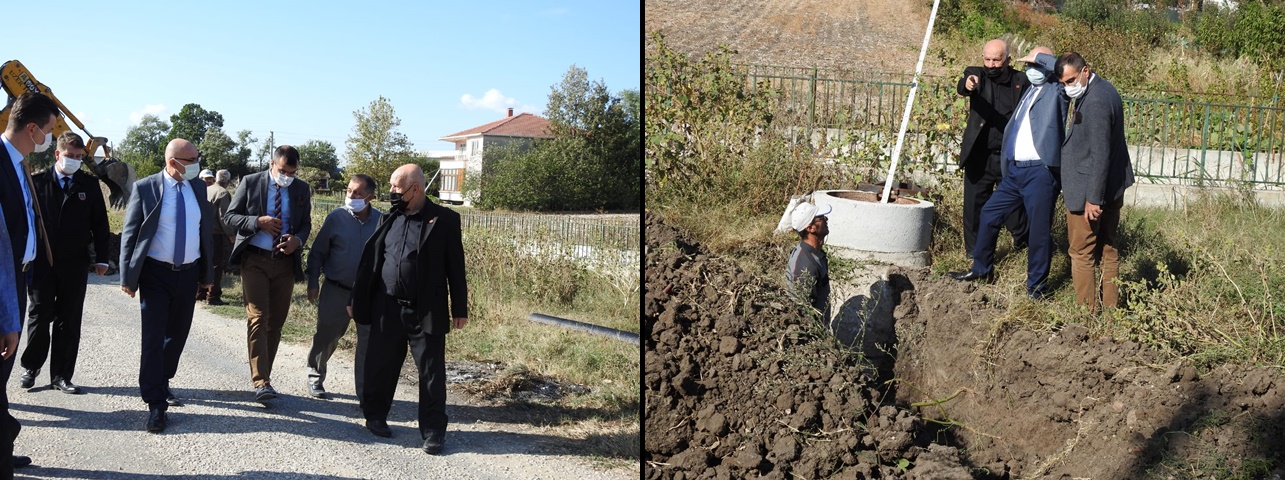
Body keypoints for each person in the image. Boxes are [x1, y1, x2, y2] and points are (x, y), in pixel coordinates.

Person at [348, 164, 466, 455]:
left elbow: (456, 268)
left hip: (425, 310)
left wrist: (459, 308)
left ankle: (433, 431)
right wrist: (358, 298)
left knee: (431, 373)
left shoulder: (445, 220)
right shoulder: (389, 218)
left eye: (397, 187)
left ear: (416, 188)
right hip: (386, 307)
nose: (391, 192)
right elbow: (372, 263)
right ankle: (375, 417)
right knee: (380, 365)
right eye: (390, 186)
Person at [949, 47, 1068, 299]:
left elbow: (1067, 69)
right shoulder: (1029, 91)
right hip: (1015, 171)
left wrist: (1040, 58)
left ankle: (1036, 289)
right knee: (990, 213)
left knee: (1038, 230)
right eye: (1028, 65)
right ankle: (981, 269)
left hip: (1040, 171)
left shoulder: (1057, 91)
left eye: (1035, 65)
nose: (1030, 70)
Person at [119, 138, 215, 433]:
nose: (197, 164)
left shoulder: (198, 187)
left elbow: (204, 231)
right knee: (153, 337)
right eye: (192, 160)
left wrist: (207, 274)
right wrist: (127, 277)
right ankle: (155, 403)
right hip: (155, 274)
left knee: (177, 335)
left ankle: (162, 379)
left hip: (187, 274)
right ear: (173, 162)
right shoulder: (147, 187)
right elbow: (131, 233)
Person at [18, 132, 111, 395]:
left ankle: (61, 375)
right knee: (39, 315)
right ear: (57, 154)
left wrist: (102, 259)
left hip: (75, 264)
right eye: (69, 156)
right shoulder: (36, 183)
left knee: (68, 320)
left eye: (79, 157)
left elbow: (100, 226)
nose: (74, 161)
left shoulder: (88, 185)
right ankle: (31, 366)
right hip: (41, 263)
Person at [224, 146, 311, 403]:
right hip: (255, 261)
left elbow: (305, 224)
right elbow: (230, 217)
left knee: (275, 323)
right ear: (272, 164)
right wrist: (256, 222)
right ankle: (260, 381)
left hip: (284, 264)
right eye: (283, 171)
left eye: (292, 172)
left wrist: (298, 240)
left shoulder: (301, 188)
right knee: (258, 318)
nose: (287, 176)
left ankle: (266, 379)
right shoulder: (251, 183)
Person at [0, 92, 59, 472]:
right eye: (51, 130)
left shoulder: (16, 163)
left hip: (17, 282)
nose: (52, 138)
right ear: (33, 128)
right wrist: (7, 316)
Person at [1055, 52, 1135, 311]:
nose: (1068, 87)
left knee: (1082, 252)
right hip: (1113, 185)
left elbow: (1100, 154)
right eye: (1063, 83)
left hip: (1091, 190)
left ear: (1085, 71)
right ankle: (1111, 310)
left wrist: (1093, 198)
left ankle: (1086, 313)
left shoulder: (1096, 103)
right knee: (1109, 247)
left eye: (1070, 81)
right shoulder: (1104, 88)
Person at [304, 174, 382, 400]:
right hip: (336, 289)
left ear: (371, 197)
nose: (352, 196)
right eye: (349, 191)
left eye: (357, 193)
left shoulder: (381, 221)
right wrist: (312, 282)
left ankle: (364, 391)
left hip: (367, 293)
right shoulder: (336, 218)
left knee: (367, 341)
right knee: (327, 334)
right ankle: (315, 377)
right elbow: (317, 253)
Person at [957, 38, 1030, 257]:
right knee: (974, 208)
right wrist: (968, 84)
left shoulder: (1022, 80)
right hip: (979, 157)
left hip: (1009, 157)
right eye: (987, 59)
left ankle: (1023, 247)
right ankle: (975, 254)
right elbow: (964, 85)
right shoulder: (976, 75)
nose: (991, 65)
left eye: (996, 60)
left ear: (1007, 59)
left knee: (1015, 208)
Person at [785, 201, 832, 319]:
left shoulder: (815, 253)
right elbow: (802, 312)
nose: (826, 220)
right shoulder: (805, 266)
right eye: (821, 218)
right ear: (810, 228)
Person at [198, 168, 232, 305]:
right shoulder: (223, 193)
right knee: (217, 265)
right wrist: (230, 234)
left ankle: (200, 293)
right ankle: (213, 296)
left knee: (203, 261)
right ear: (228, 182)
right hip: (216, 234)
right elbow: (224, 217)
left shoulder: (207, 190)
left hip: (202, 231)